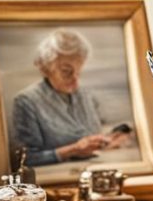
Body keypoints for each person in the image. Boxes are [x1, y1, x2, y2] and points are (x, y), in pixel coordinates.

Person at [12, 28, 129, 166]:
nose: (75, 80)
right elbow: (24, 160)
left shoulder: (87, 97)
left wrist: (109, 140)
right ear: (44, 69)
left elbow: (94, 132)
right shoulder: (26, 102)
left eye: (79, 72)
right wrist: (72, 150)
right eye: (66, 72)